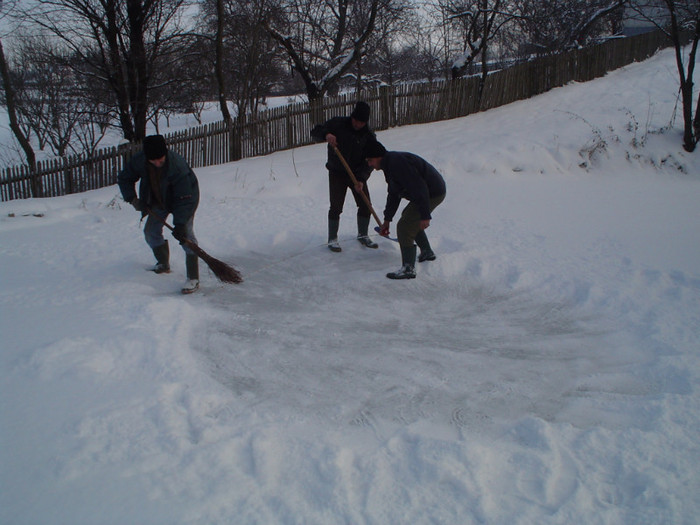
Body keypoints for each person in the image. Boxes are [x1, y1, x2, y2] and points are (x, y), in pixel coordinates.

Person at [118, 135, 201, 294]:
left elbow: (185, 199)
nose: (157, 163)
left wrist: (180, 224)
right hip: (158, 200)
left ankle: (193, 277)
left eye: (160, 160)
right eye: (153, 161)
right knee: (150, 232)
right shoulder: (140, 160)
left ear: (165, 153)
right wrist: (132, 199)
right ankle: (163, 264)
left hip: (184, 200)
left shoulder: (177, 166)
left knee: (186, 237)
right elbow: (124, 178)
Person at [362, 139, 446, 280]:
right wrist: (387, 220)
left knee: (405, 226)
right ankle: (426, 252)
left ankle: (408, 268)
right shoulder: (389, 164)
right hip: (427, 192)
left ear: (378, 156)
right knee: (408, 217)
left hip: (432, 193)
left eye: (370, 160)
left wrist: (425, 215)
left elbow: (420, 187)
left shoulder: (397, 164)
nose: (369, 164)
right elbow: (394, 193)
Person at [311, 101, 378, 252]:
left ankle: (363, 235)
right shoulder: (337, 124)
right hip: (337, 172)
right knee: (336, 206)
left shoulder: (368, 136)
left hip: (357, 174)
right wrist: (326, 134)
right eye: (356, 120)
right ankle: (332, 239)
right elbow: (315, 131)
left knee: (365, 204)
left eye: (362, 122)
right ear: (352, 116)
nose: (358, 124)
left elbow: (371, 160)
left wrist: (361, 178)